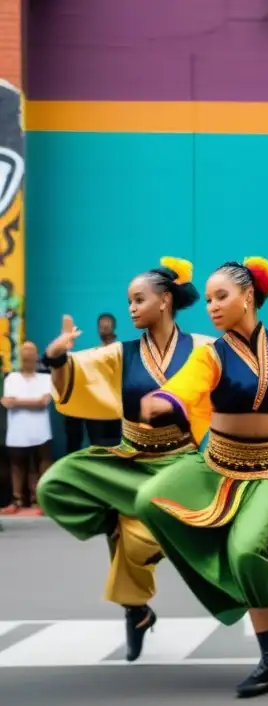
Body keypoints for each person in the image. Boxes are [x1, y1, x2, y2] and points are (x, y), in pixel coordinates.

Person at [135, 258, 268, 697]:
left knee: (246, 552)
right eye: (206, 299)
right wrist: (165, 400)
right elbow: (187, 385)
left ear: (248, 296)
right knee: (149, 499)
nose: (211, 306)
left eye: (220, 296)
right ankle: (236, 588)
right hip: (219, 464)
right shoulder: (211, 353)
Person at [36, 258, 209, 661]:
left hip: (181, 463)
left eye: (138, 300)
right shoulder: (121, 353)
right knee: (54, 484)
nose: (130, 308)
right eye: (128, 301)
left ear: (165, 301)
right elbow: (74, 379)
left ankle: (136, 607)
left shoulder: (203, 349)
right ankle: (135, 601)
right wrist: (58, 358)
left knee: (140, 537)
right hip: (132, 458)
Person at [2, 342, 53, 513]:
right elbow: (7, 402)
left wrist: (18, 401)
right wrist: (33, 402)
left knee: (41, 464)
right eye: (25, 351)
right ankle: (17, 499)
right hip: (18, 430)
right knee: (17, 465)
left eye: (31, 351)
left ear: (36, 355)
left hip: (40, 430)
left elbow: (44, 401)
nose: (28, 355)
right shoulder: (11, 379)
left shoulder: (46, 378)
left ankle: (39, 500)